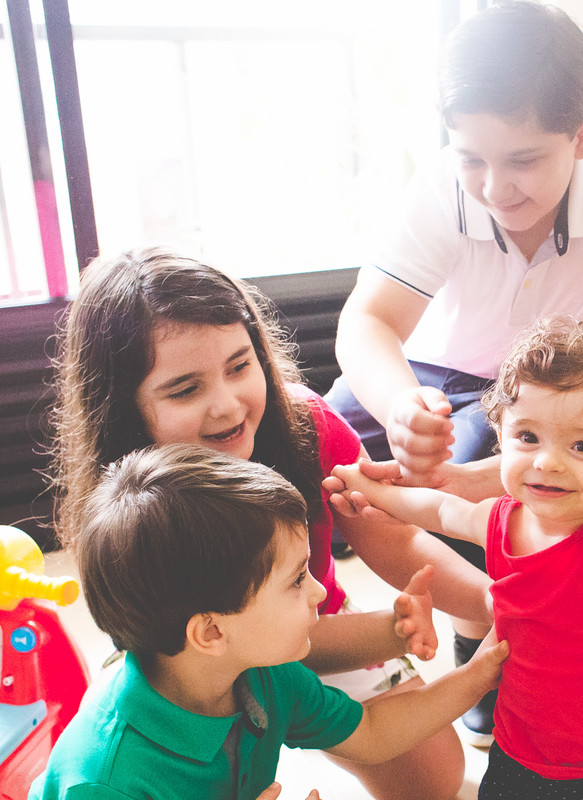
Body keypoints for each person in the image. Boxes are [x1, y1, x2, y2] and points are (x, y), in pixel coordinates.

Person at [324, 0, 583, 744]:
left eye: (523, 160)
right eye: (472, 158)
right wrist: (399, 407)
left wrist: (484, 447)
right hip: (418, 367)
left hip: (538, 389)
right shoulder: (442, 187)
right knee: (315, 449)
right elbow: (367, 322)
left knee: (474, 467)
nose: (494, 186)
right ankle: (312, 631)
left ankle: (491, 635)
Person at [47, 247, 494, 800]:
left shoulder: (307, 426)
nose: (228, 406)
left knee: (432, 775)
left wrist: (496, 604)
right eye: (185, 389)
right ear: (124, 406)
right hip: (195, 667)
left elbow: (395, 539)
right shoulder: (129, 519)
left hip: (307, 616)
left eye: (240, 365)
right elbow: (195, 656)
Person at [329, 319, 583, 799]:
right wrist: (370, 491)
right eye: (528, 437)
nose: (548, 462)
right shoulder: (503, 521)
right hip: (519, 753)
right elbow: (440, 507)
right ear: (500, 436)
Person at [30, 444, 507, 800]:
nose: (320, 592)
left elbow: (373, 732)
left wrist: (478, 672)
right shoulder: (106, 781)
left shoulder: (260, 673)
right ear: (212, 632)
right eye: (297, 579)